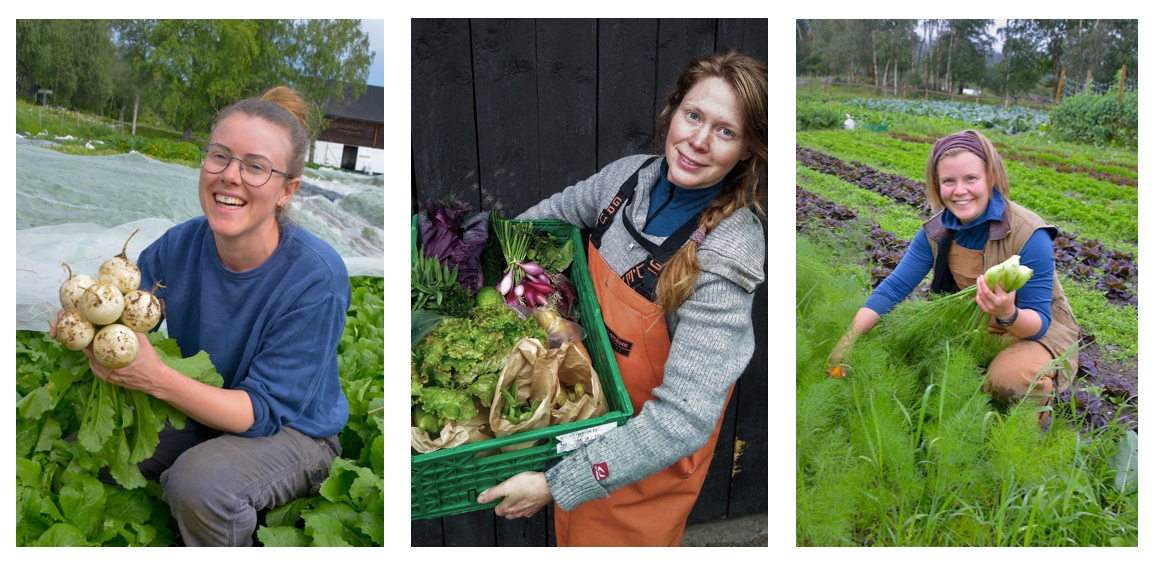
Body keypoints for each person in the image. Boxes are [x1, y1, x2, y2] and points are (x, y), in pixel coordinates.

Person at [476, 49, 767, 546]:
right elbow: (541, 223)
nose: (698, 141)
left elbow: (682, 420)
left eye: (725, 131)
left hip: (643, 466)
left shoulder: (725, 255)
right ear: (673, 111)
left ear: (746, 150)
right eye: (693, 116)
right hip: (582, 417)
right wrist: (493, 269)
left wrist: (556, 483)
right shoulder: (627, 180)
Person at [51, 86, 351, 546]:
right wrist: (85, 324)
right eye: (220, 156)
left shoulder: (316, 277)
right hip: (203, 411)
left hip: (295, 433)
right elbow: (123, 311)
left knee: (200, 484)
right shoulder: (180, 245)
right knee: (84, 457)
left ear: (287, 190)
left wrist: (156, 379)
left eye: (255, 167)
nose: (230, 175)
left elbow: (262, 412)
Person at [828, 129, 1080, 426]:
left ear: (991, 177)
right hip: (973, 323)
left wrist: (1007, 313)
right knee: (894, 336)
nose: (960, 191)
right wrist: (848, 339)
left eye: (971, 178)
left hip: (1031, 327)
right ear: (937, 185)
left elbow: (1038, 324)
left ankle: (1036, 418)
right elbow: (893, 288)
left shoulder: (1029, 234)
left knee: (1009, 379)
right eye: (949, 181)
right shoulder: (936, 231)